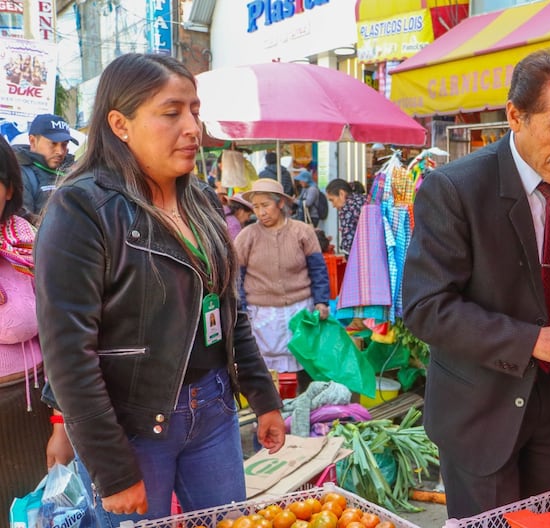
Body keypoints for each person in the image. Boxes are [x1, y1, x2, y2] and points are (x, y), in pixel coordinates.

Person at [34, 53, 286, 525]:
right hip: (133, 423)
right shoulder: (82, 209)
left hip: (214, 409)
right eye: (171, 112)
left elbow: (229, 308)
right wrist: (112, 468)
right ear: (120, 123)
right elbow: (69, 354)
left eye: (194, 110)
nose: (192, 127)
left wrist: (262, 394)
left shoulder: (203, 200)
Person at [402, 47, 550, 519]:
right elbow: (427, 308)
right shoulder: (454, 189)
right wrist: (533, 341)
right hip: (479, 406)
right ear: (515, 116)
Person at [0, 138, 68, 528]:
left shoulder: (33, 247)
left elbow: (66, 340)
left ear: (9, 187)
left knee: (39, 517)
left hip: (34, 414)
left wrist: (62, 424)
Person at [235, 179, 331, 395]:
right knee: (263, 367)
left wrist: (322, 301)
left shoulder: (303, 232)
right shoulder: (247, 236)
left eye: (265, 205)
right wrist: (240, 309)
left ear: (280, 204)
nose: (260, 212)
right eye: (256, 206)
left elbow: (318, 270)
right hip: (261, 313)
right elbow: (236, 276)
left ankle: (305, 405)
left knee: (304, 362)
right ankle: (268, 410)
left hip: (299, 310)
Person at [14, 113, 77, 220]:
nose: (60, 151)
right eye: (53, 143)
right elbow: (23, 222)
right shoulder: (19, 173)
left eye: (64, 144)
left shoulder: (74, 172)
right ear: (33, 141)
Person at [326, 179, 367, 254]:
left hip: (361, 253)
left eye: (332, 200)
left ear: (341, 194)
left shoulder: (347, 207)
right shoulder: (364, 199)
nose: (333, 205)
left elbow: (349, 243)